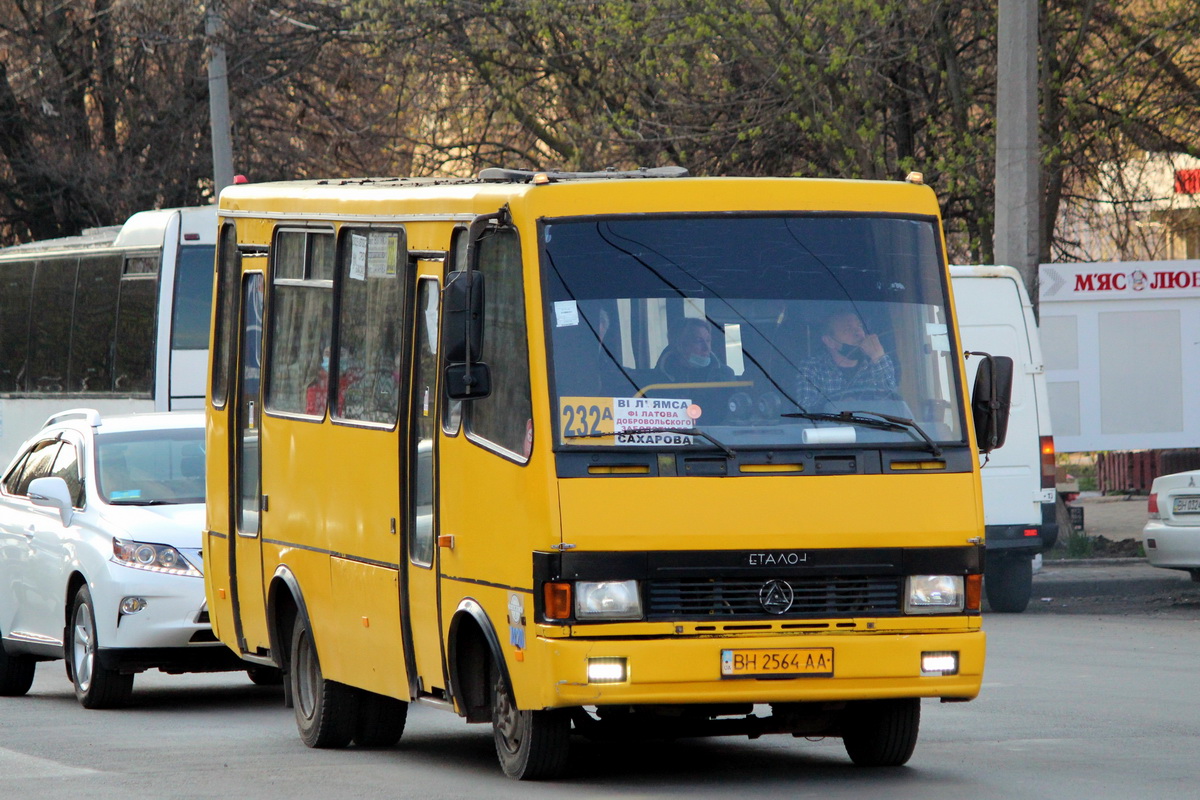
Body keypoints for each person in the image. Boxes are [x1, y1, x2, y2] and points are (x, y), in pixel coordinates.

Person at [795, 310, 897, 412]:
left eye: (859, 326)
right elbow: (806, 407)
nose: (858, 333)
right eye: (848, 329)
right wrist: (838, 404)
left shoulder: (877, 362)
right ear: (829, 341)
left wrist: (878, 357)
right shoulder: (813, 366)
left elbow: (890, 402)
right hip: (829, 427)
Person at [654, 317, 734, 384]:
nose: (706, 348)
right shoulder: (658, 379)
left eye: (708, 340)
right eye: (698, 341)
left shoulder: (725, 375)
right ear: (679, 346)